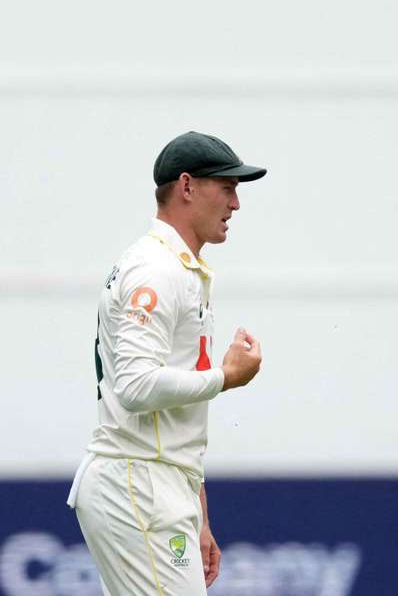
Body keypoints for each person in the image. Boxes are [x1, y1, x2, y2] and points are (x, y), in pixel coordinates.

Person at [67, 131, 266, 595]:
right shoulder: (156, 269)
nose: (236, 204)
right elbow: (135, 387)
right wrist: (226, 377)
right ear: (187, 186)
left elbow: (172, 419)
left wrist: (197, 510)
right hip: (137, 484)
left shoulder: (177, 268)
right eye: (227, 187)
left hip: (155, 483)